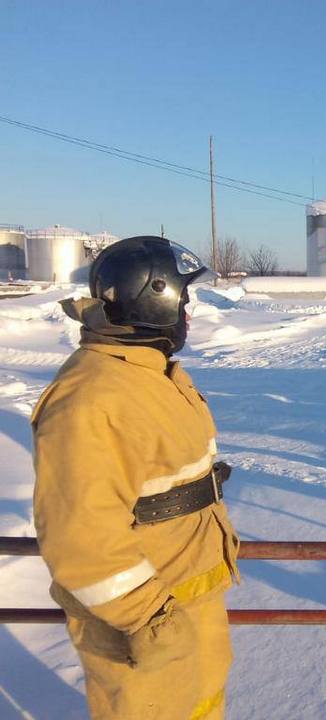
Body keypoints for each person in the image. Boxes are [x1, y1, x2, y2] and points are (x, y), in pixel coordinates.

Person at [32, 236, 239, 719]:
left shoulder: (151, 374)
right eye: (184, 300)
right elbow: (79, 539)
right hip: (142, 621)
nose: (189, 313)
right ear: (155, 298)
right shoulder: (91, 399)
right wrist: (149, 618)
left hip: (189, 598)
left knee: (202, 706)